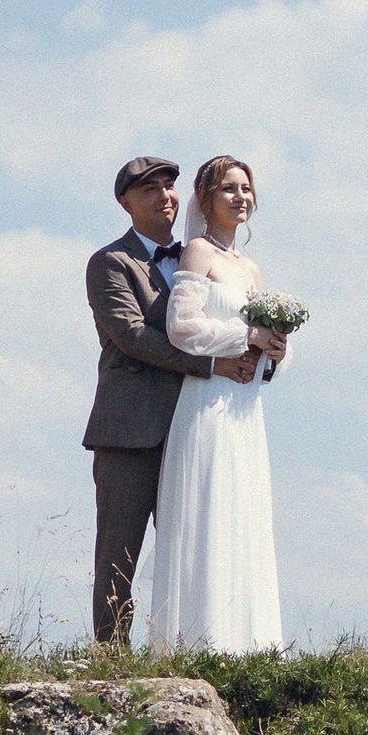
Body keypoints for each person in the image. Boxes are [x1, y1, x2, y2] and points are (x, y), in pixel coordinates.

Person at [81, 155, 261, 643]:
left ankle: (189, 647)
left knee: (195, 548)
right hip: (130, 432)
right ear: (125, 203)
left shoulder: (199, 257)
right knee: (120, 552)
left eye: (169, 187)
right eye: (148, 190)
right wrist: (212, 363)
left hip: (195, 427)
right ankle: (112, 656)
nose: (163, 196)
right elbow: (132, 336)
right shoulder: (110, 263)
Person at [141, 153, 293, 652]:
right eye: (230, 188)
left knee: (244, 518)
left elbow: (265, 348)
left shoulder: (250, 268)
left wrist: (274, 349)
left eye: (247, 189)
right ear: (206, 198)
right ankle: (197, 643)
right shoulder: (198, 255)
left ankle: (246, 647)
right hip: (207, 405)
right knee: (208, 516)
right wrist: (243, 335)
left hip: (246, 411)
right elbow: (181, 327)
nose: (241, 197)